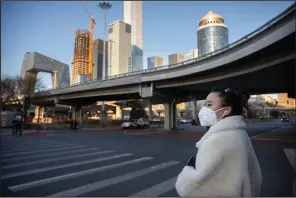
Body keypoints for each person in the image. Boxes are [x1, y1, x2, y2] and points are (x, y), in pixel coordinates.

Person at [175, 88, 262, 197]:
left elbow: (195, 190)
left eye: (209, 105)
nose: (204, 110)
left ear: (226, 110)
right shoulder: (238, 134)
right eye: (205, 104)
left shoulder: (218, 140)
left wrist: (188, 171)